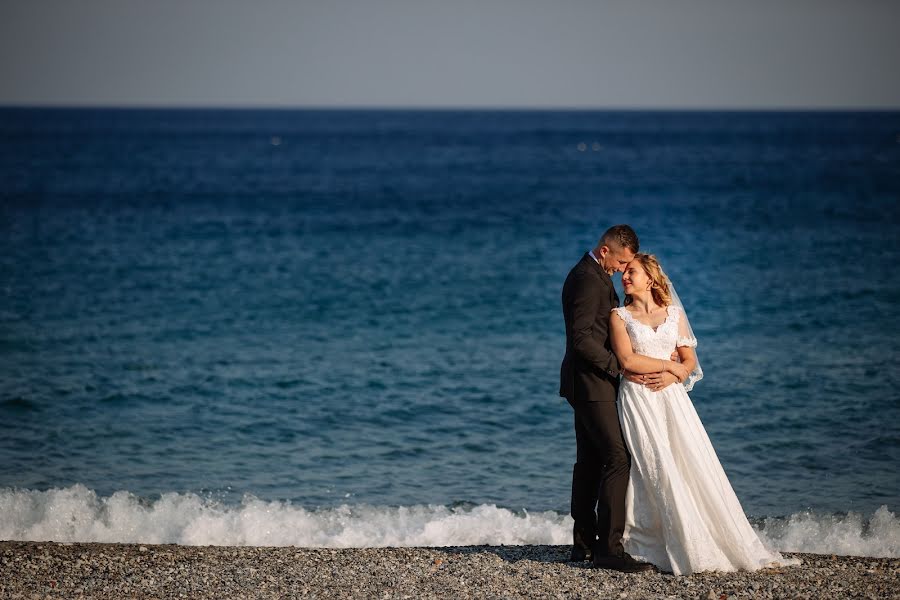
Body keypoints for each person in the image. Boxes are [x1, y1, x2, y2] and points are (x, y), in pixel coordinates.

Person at [609, 253, 800, 575]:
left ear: (651, 279)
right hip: (639, 399)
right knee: (654, 465)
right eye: (624, 272)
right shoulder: (619, 316)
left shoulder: (674, 315)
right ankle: (651, 544)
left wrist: (674, 373)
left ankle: (708, 538)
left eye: (632, 272)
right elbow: (628, 361)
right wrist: (669, 365)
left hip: (672, 400)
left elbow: (690, 362)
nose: (625, 277)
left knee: (689, 462)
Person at [559, 225, 665, 573]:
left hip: (587, 383)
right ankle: (609, 549)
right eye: (621, 262)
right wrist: (617, 367)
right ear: (605, 251)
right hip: (592, 383)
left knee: (589, 461)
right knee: (617, 458)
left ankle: (584, 544)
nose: (622, 270)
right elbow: (580, 339)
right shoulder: (588, 280)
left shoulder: (590, 274)